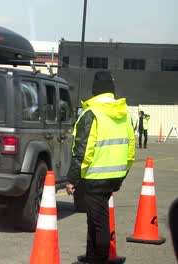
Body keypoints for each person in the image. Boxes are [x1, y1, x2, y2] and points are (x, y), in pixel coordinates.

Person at [66, 71, 136, 264]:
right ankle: (92, 255)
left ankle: (100, 259)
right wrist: (123, 173)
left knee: (99, 221)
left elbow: (82, 151)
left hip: (95, 176)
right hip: (115, 175)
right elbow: (131, 149)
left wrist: (72, 179)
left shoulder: (91, 114)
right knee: (94, 216)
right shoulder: (124, 114)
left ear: (95, 90)